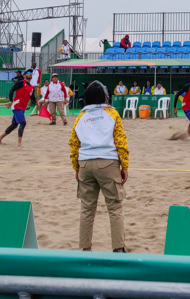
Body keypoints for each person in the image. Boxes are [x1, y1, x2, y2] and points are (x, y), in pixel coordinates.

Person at [70, 80, 129, 253]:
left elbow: (73, 144)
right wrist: (124, 165)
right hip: (108, 163)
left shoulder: (80, 117)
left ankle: (85, 248)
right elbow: (121, 141)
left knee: (87, 209)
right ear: (105, 96)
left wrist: (76, 167)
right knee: (115, 207)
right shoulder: (112, 114)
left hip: (86, 164)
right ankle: (118, 248)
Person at [0, 73, 33, 148]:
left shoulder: (31, 87)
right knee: (23, 123)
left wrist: (36, 103)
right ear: (24, 76)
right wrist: (11, 100)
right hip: (17, 105)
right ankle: (19, 144)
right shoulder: (21, 82)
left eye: (31, 73)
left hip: (22, 107)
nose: (30, 74)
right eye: (28, 73)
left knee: (14, 125)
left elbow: (32, 97)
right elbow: (11, 90)